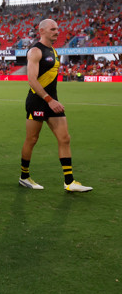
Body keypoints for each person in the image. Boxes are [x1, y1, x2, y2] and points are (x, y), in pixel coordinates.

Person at [20, 19, 92, 193]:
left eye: (58, 29)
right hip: (38, 101)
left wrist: (52, 101)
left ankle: (69, 182)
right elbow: (32, 80)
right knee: (32, 139)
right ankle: (24, 177)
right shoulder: (35, 51)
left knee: (65, 138)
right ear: (42, 31)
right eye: (53, 29)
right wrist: (49, 100)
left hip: (52, 103)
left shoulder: (54, 51)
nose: (57, 32)